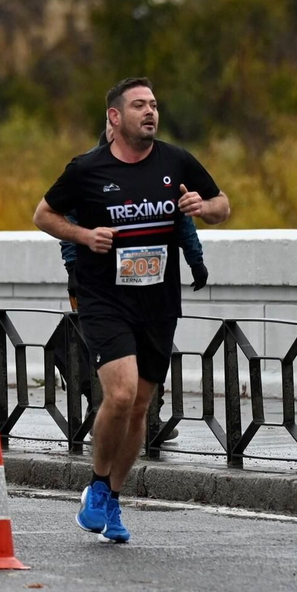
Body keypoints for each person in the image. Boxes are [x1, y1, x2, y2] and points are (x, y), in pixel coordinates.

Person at [34, 78, 230, 544]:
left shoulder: (175, 160)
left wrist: (202, 207)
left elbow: (223, 205)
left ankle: (114, 498)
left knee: (141, 404)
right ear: (115, 117)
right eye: (139, 105)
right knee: (119, 395)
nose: (150, 112)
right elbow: (43, 214)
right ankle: (98, 485)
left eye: (154, 105)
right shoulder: (86, 169)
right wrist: (83, 237)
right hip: (105, 299)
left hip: (159, 301)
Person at [59, 122, 206, 442]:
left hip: (144, 283)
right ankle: (114, 414)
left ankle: (144, 418)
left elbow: (180, 220)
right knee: (110, 347)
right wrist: (73, 270)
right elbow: (69, 224)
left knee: (140, 347)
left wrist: (196, 261)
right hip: (106, 284)